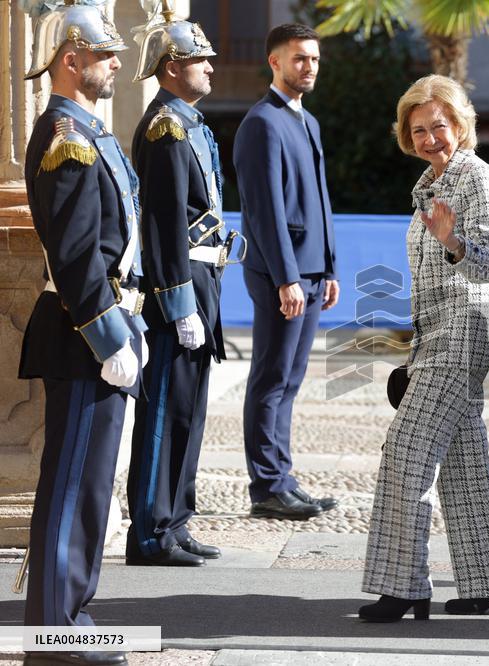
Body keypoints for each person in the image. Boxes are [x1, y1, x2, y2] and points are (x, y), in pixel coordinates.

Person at [358, 74, 489, 622]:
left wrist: (453, 239)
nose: (431, 137)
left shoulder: (478, 176)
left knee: (405, 455)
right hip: (437, 336)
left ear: (461, 125)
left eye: (440, 126)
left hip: (466, 335)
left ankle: (404, 586)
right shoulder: (431, 183)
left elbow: (488, 260)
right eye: (420, 129)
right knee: (463, 463)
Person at [18, 1, 140, 663]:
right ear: (72, 59)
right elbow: (74, 254)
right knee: (70, 487)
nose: (116, 64)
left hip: (104, 327)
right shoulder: (65, 135)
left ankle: (70, 618)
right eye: (106, 54)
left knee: (89, 487)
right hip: (81, 333)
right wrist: (107, 336)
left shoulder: (88, 130)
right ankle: (56, 634)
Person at [125, 3, 228, 567]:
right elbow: (163, 223)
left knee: (190, 411)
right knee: (164, 412)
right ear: (170, 68)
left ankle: (177, 520)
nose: (210, 67)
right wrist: (177, 301)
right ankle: (149, 532)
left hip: (203, 278)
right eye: (199, 60)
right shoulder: (164, 129)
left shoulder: (189, 122)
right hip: (179, 286)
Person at [233, 23, 339, 520]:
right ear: (275, 62)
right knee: (271, 378)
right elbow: (266, 209)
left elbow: (319, 199)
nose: (309, 67)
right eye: (299, 59)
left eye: (314, 59)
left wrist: (330, 268)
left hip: (313, 272)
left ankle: (284, 479)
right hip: (285, 274)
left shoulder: (309, 122)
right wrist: (286, 278)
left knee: (291, 379)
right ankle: (267, 487)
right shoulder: (262, 123)